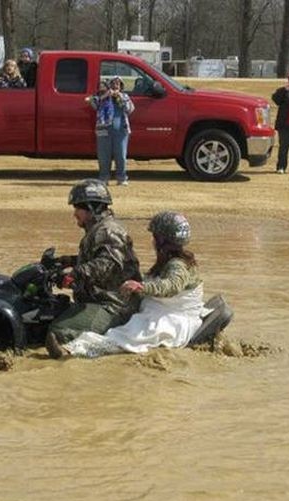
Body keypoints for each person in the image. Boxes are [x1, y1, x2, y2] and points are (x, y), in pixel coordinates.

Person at [63, 211, 206, 358]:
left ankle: (77, 350)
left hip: (172, 318)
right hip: (161, 309)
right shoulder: (172, 260)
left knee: (127, 335)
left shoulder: (178, 265)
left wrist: (141, 287)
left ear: (162, 240)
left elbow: (171, 286)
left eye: (155, 237)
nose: (153, 241)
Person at [45, 179, 142, 359]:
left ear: (92, 207)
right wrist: (67, 261)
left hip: (114, 305)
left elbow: (107, 264)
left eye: (78, 208)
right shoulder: (99, 229)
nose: (75, 214)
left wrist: (74, 274)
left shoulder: (109, 230)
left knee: (58, 331)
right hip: (97, 298)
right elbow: (95, 258)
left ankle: (71, 352)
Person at [84, 76, 135, 186]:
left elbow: (130, 109)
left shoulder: (125, 97)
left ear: (121, 86)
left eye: (118, 84)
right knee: (104, 156)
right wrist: (105, 96)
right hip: (103, 130)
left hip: (121, 130)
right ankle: (104, 178)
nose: (115, 86)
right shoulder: (100, 96)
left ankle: (121, 178)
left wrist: (119, 97)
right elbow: (92, 104)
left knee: (121, 155)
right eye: (113, 83)